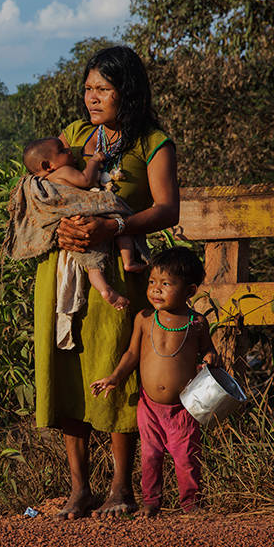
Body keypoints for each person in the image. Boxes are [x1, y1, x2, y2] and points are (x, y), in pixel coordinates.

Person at [33, 45, 180, 520]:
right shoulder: (75, 136)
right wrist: (61, 226)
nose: (91, 97)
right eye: (87, 88)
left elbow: (167, 208)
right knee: (69, 374)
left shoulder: (152, 143)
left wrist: (115, 227)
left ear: (127, 91)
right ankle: (79, 488)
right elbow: (45, 186)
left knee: (118, 372)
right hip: (62, 274)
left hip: (120, 276)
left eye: (103, 89)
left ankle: (120, 486)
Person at [90, 247, 219, 516]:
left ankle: (191, 504)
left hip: (183, 407)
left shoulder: (196, 323)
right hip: (148, 406)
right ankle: (150, 502)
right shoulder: (145, 319)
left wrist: (210, 358)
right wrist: (115, 377)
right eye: (152, 282)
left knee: (186, 458)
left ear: (190, 290)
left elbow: (209, 350)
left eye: (166, 284)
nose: (156, 290)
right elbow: (132, 354)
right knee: (150, 456)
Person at [21, 137, 148, 311]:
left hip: (75, 228)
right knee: (120, 222)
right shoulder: (62, 171)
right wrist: (94, 160)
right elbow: (86, 180)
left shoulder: (45, 183)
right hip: (87, 215)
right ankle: (129, 261)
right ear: (47, 166)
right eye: (63, 151)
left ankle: (104, 290)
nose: (69, 151)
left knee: (93, 266)